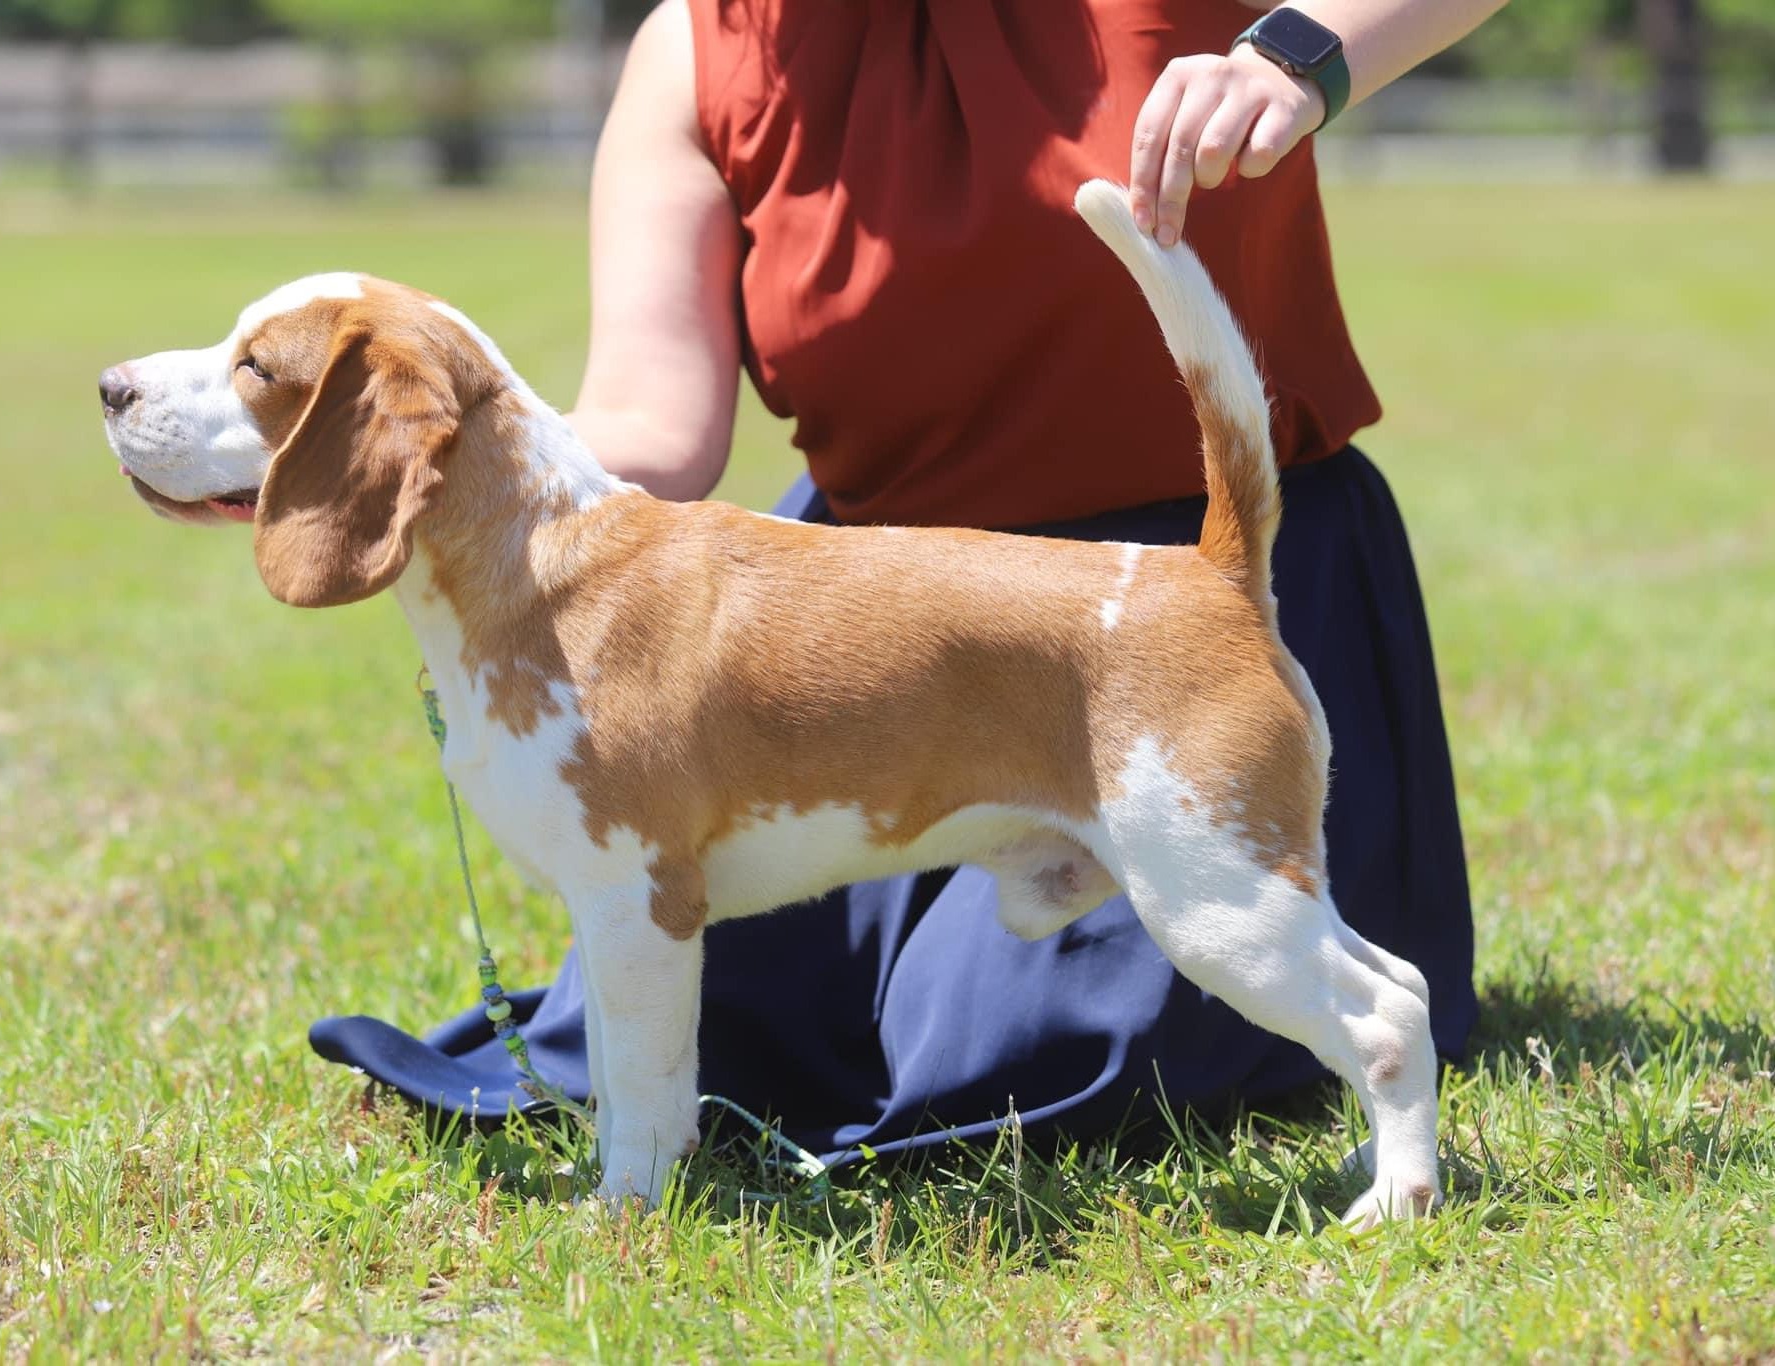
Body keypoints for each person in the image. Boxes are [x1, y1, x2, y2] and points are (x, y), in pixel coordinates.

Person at [312, 0, 1506, 1166]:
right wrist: (390, 462)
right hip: (854, 629)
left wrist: (1299, 51)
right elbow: (653, 428)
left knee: (1025, 1068)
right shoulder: (698, 44)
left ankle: (1374, 1062)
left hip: (1191, 601)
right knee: (729, 1016)